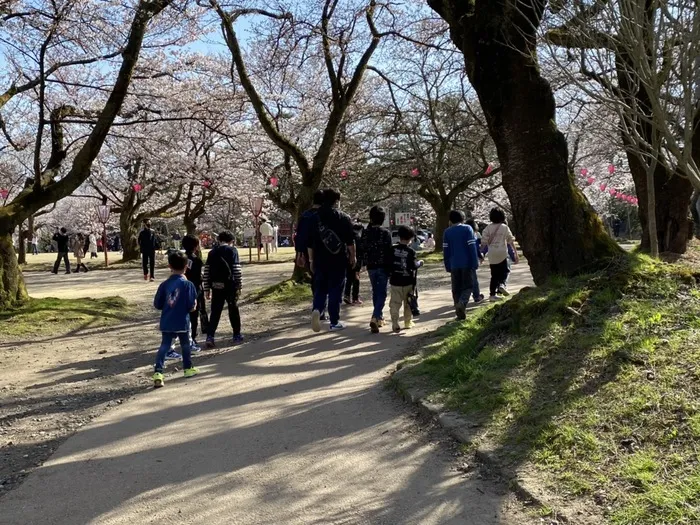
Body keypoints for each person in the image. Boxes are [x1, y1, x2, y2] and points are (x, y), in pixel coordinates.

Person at [308, 189, 356, 332]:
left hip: (319, 259)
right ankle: (334, 321)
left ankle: (317, 309)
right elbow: (350, 241)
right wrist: (353, 256)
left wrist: (311, 260)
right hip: (338, 259)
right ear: (337, 201)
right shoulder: (343, 217)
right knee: (336, 289)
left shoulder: (314, 218)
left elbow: (310, 243)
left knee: (320, 288)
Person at [152, 251, 199, 388]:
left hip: (167, 319)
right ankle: (188, 368)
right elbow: (191, 305)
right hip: (182, 320)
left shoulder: (164, 284)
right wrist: (192, 306)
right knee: (185, 344)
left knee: (165, 345)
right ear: (186, 266)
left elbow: (158, 304)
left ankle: (158, 372)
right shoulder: (188, 284)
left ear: (169, 266)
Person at [203, 230, 243, 347]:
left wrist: (207, 289)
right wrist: (239, 285)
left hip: (216, 285)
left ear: (219, 240)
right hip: (230, 285)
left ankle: (210, 336)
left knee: (215, 311)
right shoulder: (232, 251)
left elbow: (206, 272)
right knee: (233, 309)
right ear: (232, 241)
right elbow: (236, 269)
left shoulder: (212, 253)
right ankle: (236, 334)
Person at [361, 206, 394, 334]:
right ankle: (375, 316)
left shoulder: (366, 232)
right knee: (382, 293)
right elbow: (389, 251)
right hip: (383, 266)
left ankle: (379, 317)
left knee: (376, 291)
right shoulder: (385, 233)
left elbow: (363, 248)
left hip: (371, 266)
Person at [295, 190, 326, 319]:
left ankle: (318, 306)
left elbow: (300, 236)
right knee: (326, 279)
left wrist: (299, 253)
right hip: (324, 250)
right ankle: (321, 308)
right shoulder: (325, 215)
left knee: (316, 278)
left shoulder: (305, 215)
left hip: (308, 252)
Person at [443, 210, 480, 319]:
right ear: (463, 218)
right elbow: (472, 247)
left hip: (454, 264)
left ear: (450, 220)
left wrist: (447, 264)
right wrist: (475, 261)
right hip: (467, 263)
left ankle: (458, 309)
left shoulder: (447, 232)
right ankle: (462, 303)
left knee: (456, 288)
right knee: (468, 286)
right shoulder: (467, 229)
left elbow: (446, 250)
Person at [389, 226, 424, 333]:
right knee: (408, 303)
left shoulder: (392, 249)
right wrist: (420, 263)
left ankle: (395, 322)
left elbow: (388, 264)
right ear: (411, 238)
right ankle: (407, 322)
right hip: (408, 282)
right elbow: (413, 266)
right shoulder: (411, 251)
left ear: (399, 236)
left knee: (395, 303)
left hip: (395, 281)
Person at [481, 208, 519, 301]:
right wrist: (515, 253)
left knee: (494, 274)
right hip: (502, 252)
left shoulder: (487, 228)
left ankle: (492, 294)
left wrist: (481, 253)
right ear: (502, 216)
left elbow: (483, 242)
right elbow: (510, 241)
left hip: (492, 253)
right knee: (505, 271)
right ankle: (502, 285)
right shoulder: (504, 227)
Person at [182, 233, 209, 351]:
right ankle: (192, 337)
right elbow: (199, 277)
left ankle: (186, 337)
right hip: (195, 289)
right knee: (195, 313)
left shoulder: (180, 258)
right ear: (195, 246)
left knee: (185, 314)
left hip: (182, 289)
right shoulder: (196, 260)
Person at [465, 218, 485, 304]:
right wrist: (480, 256)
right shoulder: (473, 235)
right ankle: (476, 296)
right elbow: (476, 248)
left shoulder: (463, 234)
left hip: (462, 260)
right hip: (471, 260)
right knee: (473, 279)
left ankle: (461, 299)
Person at [343, 223, 364, 305]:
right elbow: (360, 251)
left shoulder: (347, 236)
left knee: (349, 279)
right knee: (356, 279)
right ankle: (355, 298)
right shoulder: (357, 238)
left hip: (347, 261)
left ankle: (346, 295)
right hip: (355, 261)